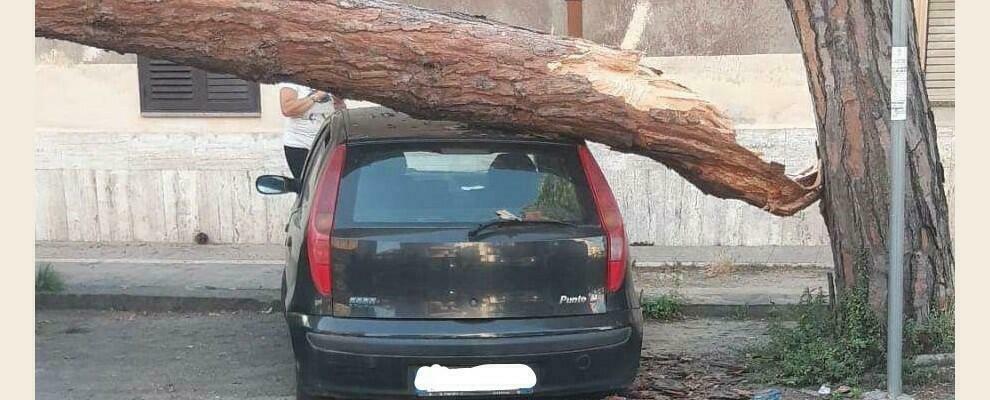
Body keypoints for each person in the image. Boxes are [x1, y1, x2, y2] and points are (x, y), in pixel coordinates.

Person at [278, 82, 347, 180]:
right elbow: (287, 109)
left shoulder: (329, 77)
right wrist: (316, 97)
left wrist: (339, 102)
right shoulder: (292, 80)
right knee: (306, 184)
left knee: (331, 182)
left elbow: (340, 107)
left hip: (329, 141)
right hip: (300, 143)